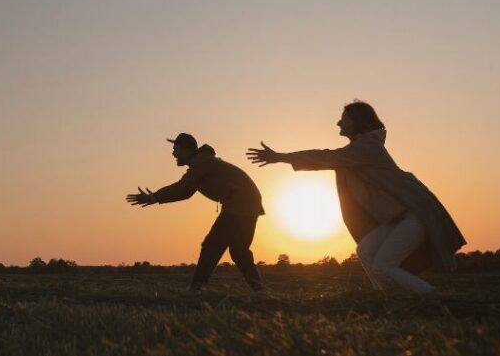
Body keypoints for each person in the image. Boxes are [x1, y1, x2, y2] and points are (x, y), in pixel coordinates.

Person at [247, 101, 465, 295]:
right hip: (399, 218)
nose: (338, 123)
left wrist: (279, 157)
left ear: (357, 121)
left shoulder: (367, 147)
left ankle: (433, 297)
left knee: (383, 266)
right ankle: (390, 298)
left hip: (415, 214)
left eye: (344, 118)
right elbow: (327, 159)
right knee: (366, 250)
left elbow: (325, 157)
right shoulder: (358, 149)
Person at [126, 133, 265, 291]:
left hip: (240, 203)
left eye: (176, 149)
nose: (173, 154)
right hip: (248, 202)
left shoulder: (201, 162)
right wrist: (156, 197)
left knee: (212, 245)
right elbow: (186, 191)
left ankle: (196, 288)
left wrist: (154, 197)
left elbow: (183, 187)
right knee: (239, 251)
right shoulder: (202, 162)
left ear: (186, 150)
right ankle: (259, 290)